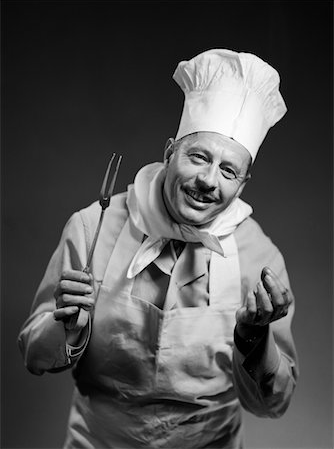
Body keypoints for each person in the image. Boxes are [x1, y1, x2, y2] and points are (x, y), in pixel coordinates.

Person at [18, 48, 299, 449]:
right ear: (169, 152)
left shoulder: (260, 257)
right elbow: (34, 356)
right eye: (198, 157)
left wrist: (254, 339)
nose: (208, 181)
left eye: (229, 170)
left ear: (244, 182)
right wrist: (66, 328)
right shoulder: (91, 227)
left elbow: (273, 405)